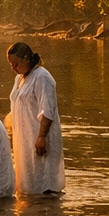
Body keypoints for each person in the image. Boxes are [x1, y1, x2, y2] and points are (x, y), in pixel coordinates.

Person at [6, 42, 65, 195]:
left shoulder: (42, 77)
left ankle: (46, 212)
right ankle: (30, 212)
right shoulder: (19, 79)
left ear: (27, 58)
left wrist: (41, 137)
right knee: (27, 181)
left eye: (16, 64)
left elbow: (48, 110)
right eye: (11, 64)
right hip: (24, 137)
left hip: (38, 135)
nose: (13, 68)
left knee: (43, 178)